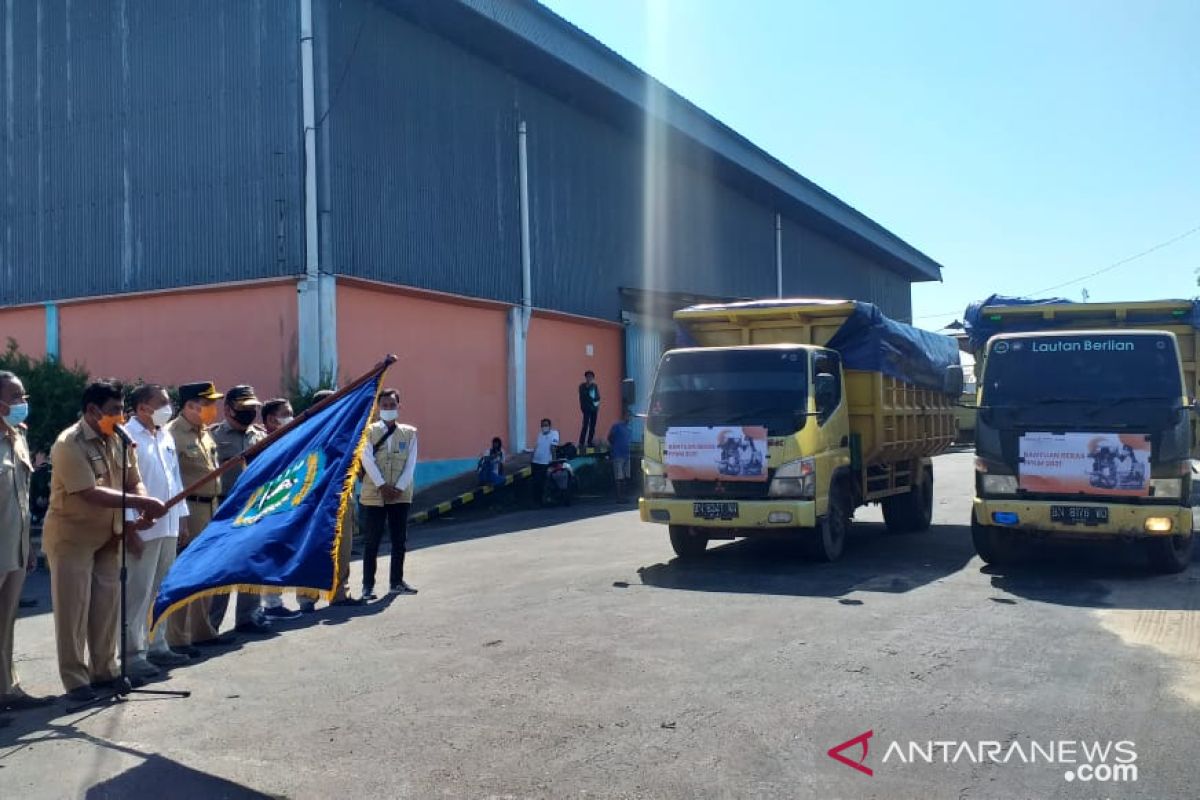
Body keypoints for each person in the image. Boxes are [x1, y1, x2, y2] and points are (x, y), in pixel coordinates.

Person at [42, 380, 166, 701]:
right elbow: (88, 492)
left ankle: (104, 671)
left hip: (108, 537)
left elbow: (133, 480)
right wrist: (140, 504)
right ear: (93, 411)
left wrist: (143, 499)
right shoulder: (68, 443)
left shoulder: (119, 438)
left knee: (106, 608)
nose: (121, 416)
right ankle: (75, 680)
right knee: (74, 611)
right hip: (72, 538)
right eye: (114, 410)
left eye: (122, 409)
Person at [124, 385, 191, 676]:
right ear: (142, 408)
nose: (168, 407)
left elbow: (174, 480)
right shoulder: (127, 437)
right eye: (161, 403)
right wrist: (130, 528)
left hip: (169, 525)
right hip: (143, 528)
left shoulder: (164, 435)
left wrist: (183, 517)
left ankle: (157, 645)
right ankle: (133, 654)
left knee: (160, 589)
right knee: (138, 591)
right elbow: (123, 485)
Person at [0, 372, 53, 713]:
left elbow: (19, 496)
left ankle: (7, 689)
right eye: (16, 397)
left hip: (14, 547)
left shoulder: (17, 437)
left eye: (24, 397)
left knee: (6, 624)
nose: (23, 404)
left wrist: (28, 546)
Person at [165, 381, 226, 653]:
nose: (213, 408)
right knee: (184, 575)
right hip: (189, 511)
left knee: (204, 574)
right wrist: (181, 519)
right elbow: (172, 481)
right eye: (207, 403)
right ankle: (177, 637)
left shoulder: (204, 433)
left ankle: (202, 630)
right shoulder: (172, 434)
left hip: (211, 508)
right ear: (190, 405)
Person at [209, 385, 273, 633]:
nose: (249, 413)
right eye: (243, 408)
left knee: (251, 563)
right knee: (221, 567)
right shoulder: (213, 436)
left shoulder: (258, 436)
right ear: (228, 409)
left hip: (255, 506)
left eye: (252, 409)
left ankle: (249, 615)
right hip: (224, 506)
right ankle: (211, 622)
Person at [359, 389, 418, 599]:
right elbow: (366, 459)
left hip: (400, 495)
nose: (388, 409)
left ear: (399, 407)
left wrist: (399, 487)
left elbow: (411, 463)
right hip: (374, 494)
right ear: (378, 407)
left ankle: (396, 582)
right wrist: (382, 485)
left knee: (399, 540)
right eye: (384, 405)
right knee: (372, 541)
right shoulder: (367, 432)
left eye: (392, 405)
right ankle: (367, 586)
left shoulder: (410, 433)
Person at [258, 399, 303, 620]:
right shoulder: (261, 442)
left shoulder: (289, 439)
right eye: (286, 413)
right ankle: (269, 605)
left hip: (285, 503)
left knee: (278, 555)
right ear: (270, 419)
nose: (291, 417)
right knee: (266, 556)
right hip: (266, 506)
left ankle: (273, 603)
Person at [531, 418, 560, 506]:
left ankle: (545, 500)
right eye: (542, 425)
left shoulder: (554, 434)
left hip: (545, 463)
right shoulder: (540, 434)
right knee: (536, 483)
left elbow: (553, 448)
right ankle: (537, 501)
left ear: (550, 426)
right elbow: (536, 447)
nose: (544, 427)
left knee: (544, 482)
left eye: (546, 425)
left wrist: (554, 462)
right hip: (536, 462)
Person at [607, 411, 633, 503]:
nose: (629, 418)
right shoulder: (617, 426)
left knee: (626, 477)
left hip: (626, 455)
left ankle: (624, 496)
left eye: (630, 417)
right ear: (624, 416)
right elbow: (610, 437)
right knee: (619, 477)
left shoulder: (629, 428)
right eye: (628, 416)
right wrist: (614, 446)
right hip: (618, 455)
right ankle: (619, 497)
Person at [578, 371, 601, 449]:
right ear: (586, 378)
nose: (589, 378)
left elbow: (597, 397)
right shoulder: (582, 386)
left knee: (592, 426)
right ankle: (581, 442)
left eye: (591, 377)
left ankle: (590, 442)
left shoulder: (595, 386)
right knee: (585, 425)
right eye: (588, 377)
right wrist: (589, 389)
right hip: (586, 408)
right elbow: (584, 395)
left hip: (594, 408)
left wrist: (596, 403)